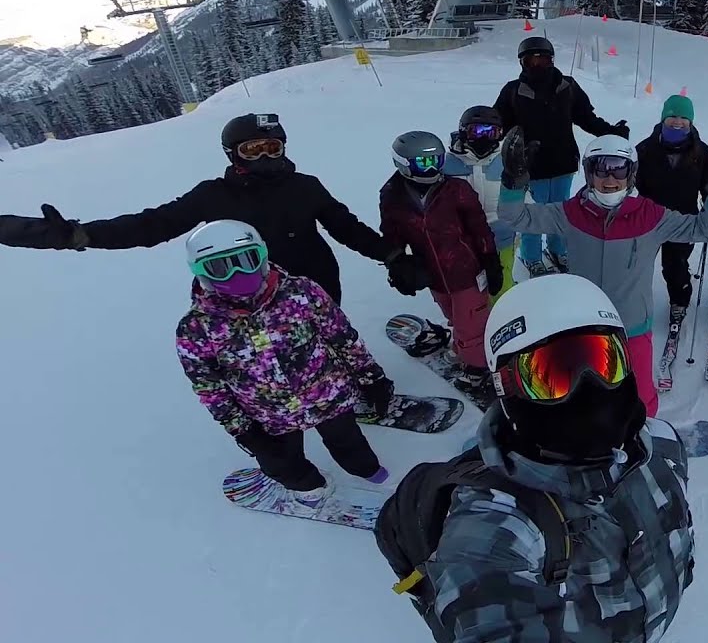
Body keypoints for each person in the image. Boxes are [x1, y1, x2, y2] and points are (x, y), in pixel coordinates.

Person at [374, 273, 694, 643]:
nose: (589, 388)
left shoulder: (661, 444)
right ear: (506, 390)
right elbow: (488, 601)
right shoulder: (496, 524)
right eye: (550, 376)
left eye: (605, 362)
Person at [0, 113, 417, 304]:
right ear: (234, 155)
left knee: (329, 337)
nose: (267, 156)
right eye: (254, 148)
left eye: (274, 146)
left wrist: (392, 256)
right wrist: (81, 234)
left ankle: (345, 390)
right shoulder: (214, 195)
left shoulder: (305, 186)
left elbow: (347, 228)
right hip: (246, 291)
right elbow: (155, 225)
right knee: (277, 357)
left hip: (318, 283)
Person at [497, 129, 708, 415]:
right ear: (588, 173)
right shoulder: (571, 213)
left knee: (639, 394)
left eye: (618, 168)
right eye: (601, 168)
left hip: (632, 327)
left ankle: (644, 434)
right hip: (582, 325)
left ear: (631, 173)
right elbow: (514, 216)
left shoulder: (650, 217)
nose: (610, 178)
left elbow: (702, 228)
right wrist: (513, 182)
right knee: (582, 388)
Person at [176, 220, 394, 509]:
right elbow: (209, 388)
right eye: (221, 267)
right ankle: (308, 486)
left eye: (246, 260)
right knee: (281, 461)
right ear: (202, 274)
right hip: (268, 414)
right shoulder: (197, 328)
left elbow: (341, 335)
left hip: (327, 395)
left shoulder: (301, 292)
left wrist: (370, 375)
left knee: (347, 439)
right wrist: (243, 430)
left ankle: (364, 469)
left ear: (262, 256)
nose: (239, 272)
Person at [492, 36, 629, 276]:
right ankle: (531, 256)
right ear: (522, 63)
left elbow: (586, 118)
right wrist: (480, 134)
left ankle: (558, 248)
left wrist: (612, 132)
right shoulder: (513, 91)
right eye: (530, 61)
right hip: (530, 168)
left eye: (543, 59)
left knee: (562, 212)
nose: (537, 65)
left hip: (563, 162)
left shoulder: (568, 86)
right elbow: (497, 124)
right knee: (533, 214)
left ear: (552, 60)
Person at [380, 131, 502, 393]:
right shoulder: (392, 195)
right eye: (424, 163)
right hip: (433, 274)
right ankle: (463, 345)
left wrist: (490, 260)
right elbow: (391, 233)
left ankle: (477, 368)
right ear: (403, 163)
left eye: (438, 160)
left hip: (467, 271)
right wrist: (397, 263)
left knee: (472, 321)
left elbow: (479, 228)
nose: (433, 168)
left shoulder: (456, 190)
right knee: (454, 315)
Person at [634, 93, 708, 325]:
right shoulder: (646, 149)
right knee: (639, 263)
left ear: (690, 122)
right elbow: (630, 181)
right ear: (663, 118)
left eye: (683, 118)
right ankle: (634, 301)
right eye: (672, 116)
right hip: (648, 218)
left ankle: (679, 301)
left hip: (682, 220)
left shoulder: (701, 152)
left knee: (676, 265)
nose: (677, 122)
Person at [442, 105, 516, 298]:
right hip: (462, 240)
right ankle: (471, 316)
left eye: (491, 132)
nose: (484, 138)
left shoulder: (506, 161)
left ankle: (503, 314)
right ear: (463, 131)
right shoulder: (447, 165)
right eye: (476, 131)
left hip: (501, 236)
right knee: (467, 286)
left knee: (502, 282)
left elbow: (522, 197)